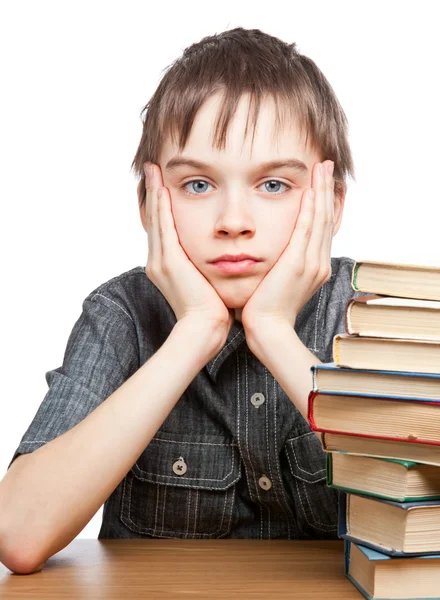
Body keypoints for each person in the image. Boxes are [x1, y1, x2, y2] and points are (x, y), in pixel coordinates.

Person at [0, 26, 371, 574]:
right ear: (151, 205)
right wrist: (194, 331)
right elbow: (19, 533)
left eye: (274, 185)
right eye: (198, 185)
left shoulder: (371, 313)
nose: (234, 222)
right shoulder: (121, 314)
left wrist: (273, 331)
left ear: (332, 205)